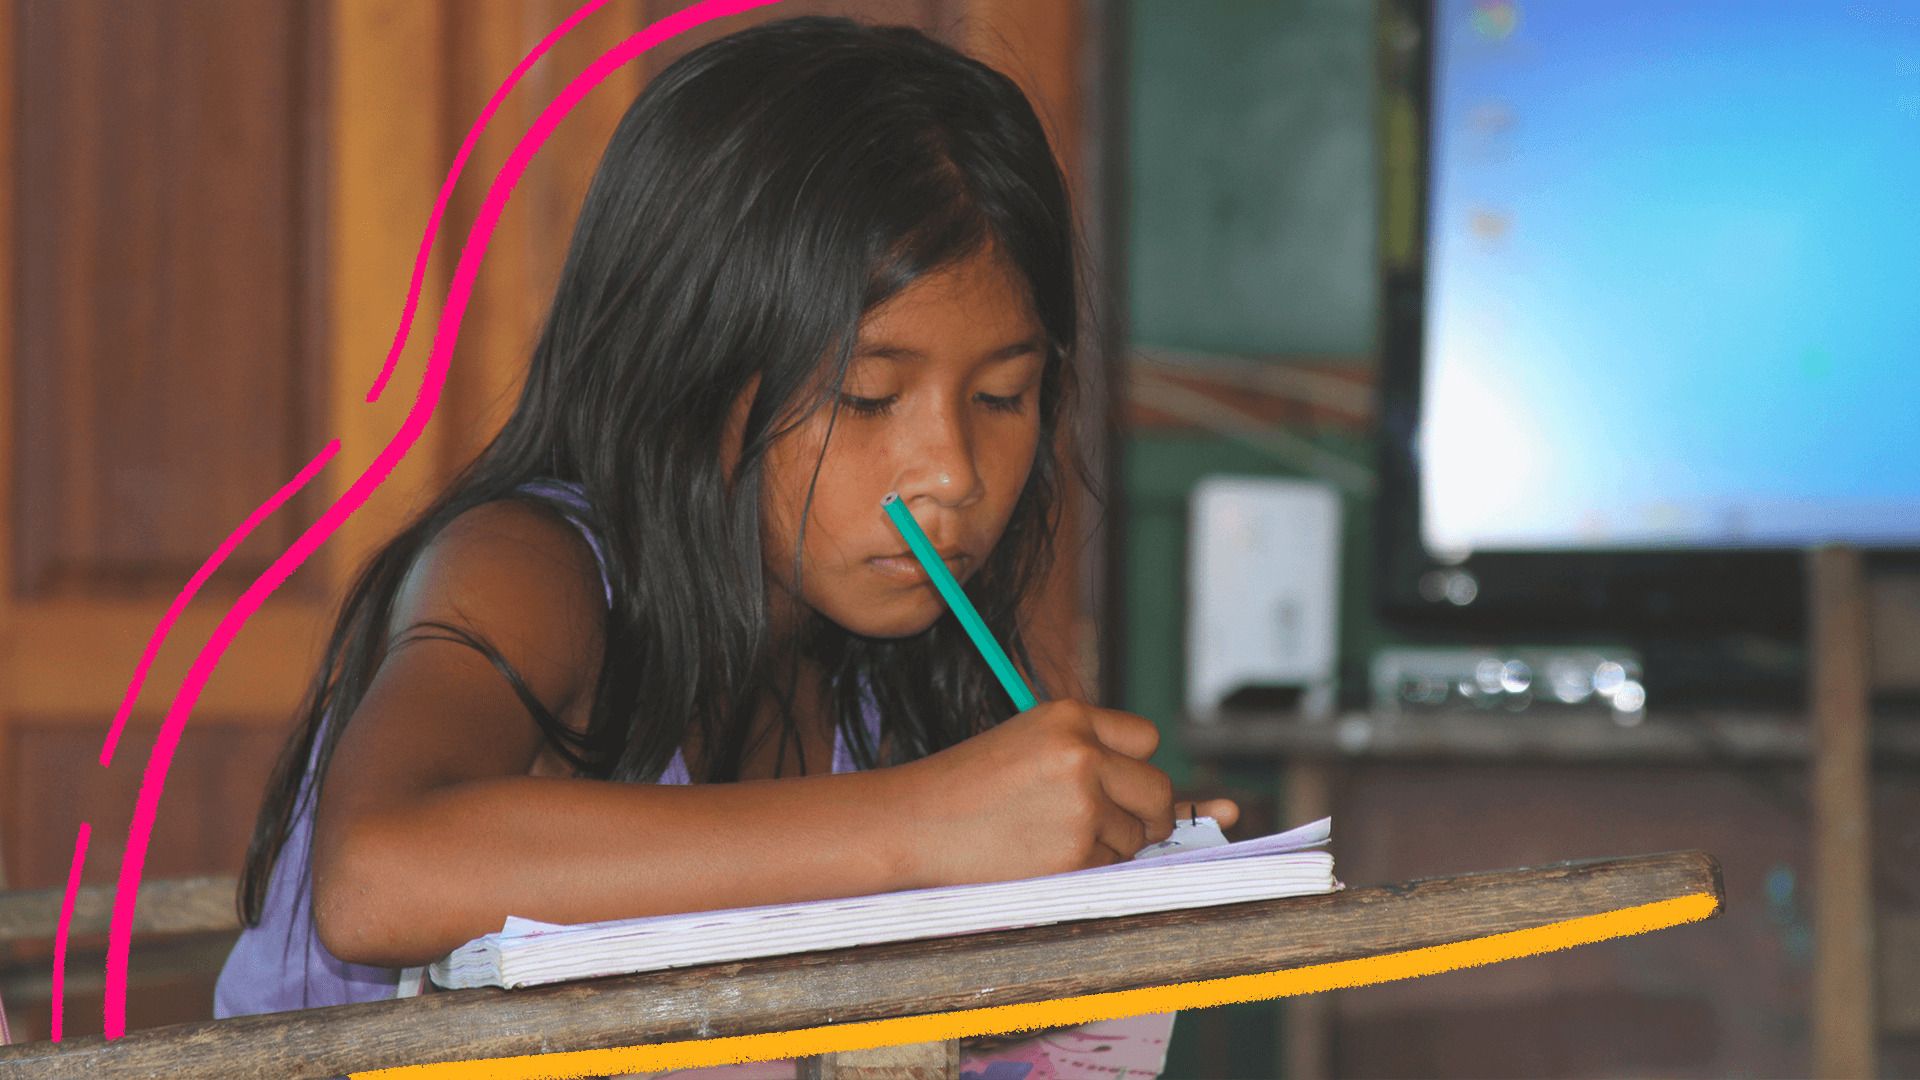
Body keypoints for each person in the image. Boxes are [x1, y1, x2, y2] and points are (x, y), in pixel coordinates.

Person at [216, 16, 1237, 1076]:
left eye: (1003, 395)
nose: (954, 474)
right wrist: (921, 827)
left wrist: (1087, 872)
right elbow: (377, 876)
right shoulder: (531, 567)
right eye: (867, 396)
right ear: (690, 369)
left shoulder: (892, 688)